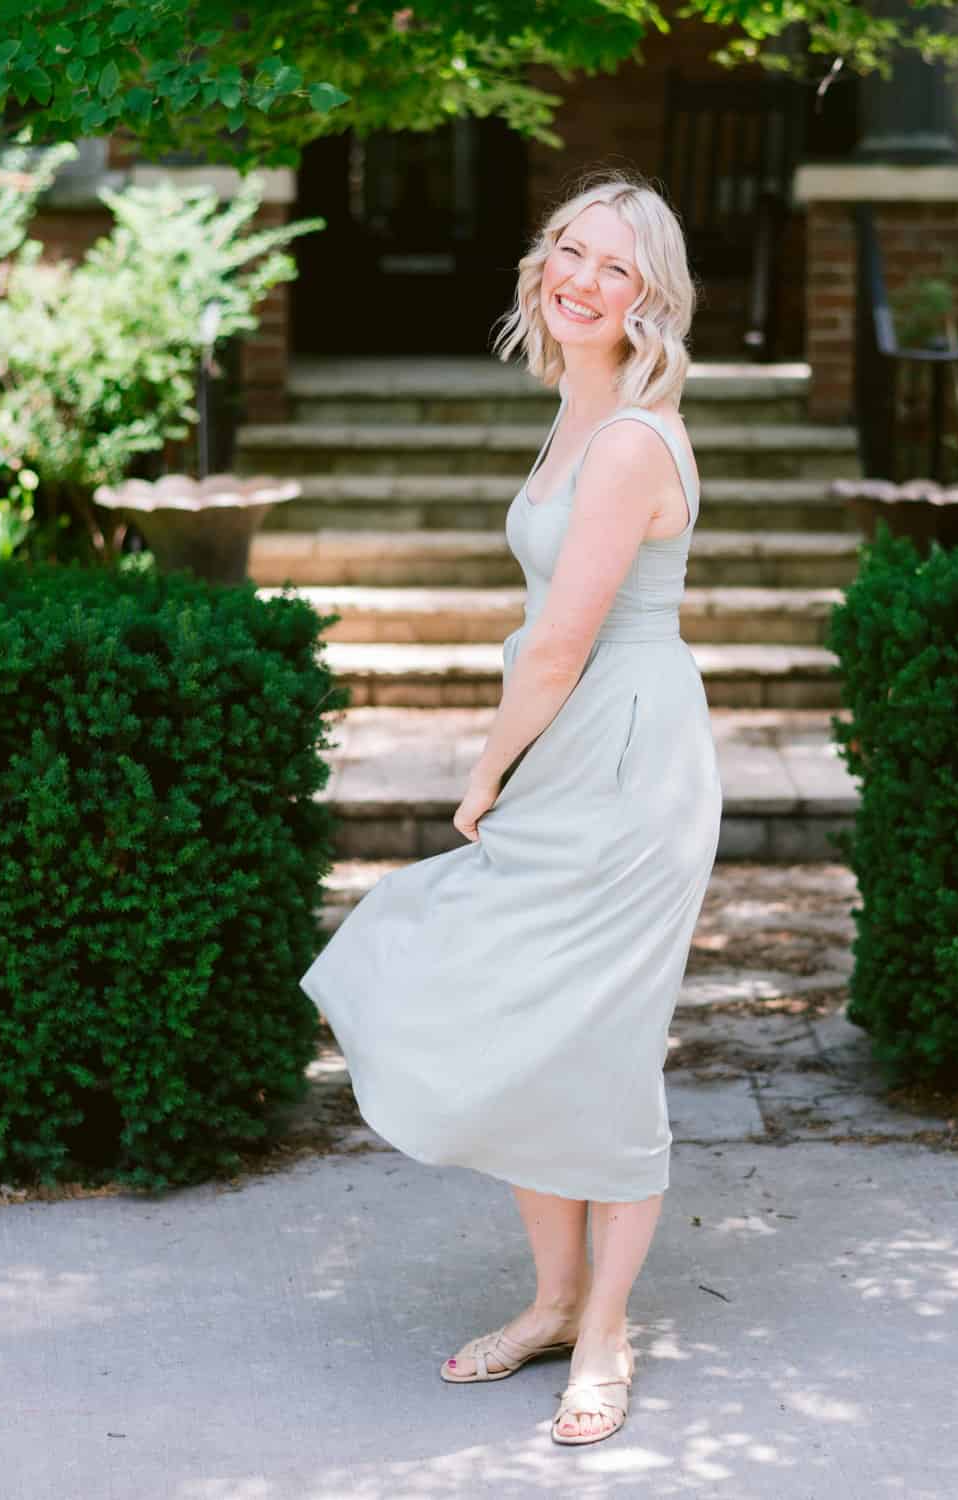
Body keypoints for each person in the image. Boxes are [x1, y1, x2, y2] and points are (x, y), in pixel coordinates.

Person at [300, 168, 723, 1446]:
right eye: (568, 252)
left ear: (652, 297)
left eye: (615, 267)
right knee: (523, 1016)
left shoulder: (635, 437)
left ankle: (606, 1327)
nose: (581, 280)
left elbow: (560, 644)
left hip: (625, 760)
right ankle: (549, 1299)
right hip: (578, 740)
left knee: (600, 1039)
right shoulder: (575, 414)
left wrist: (484, 774)